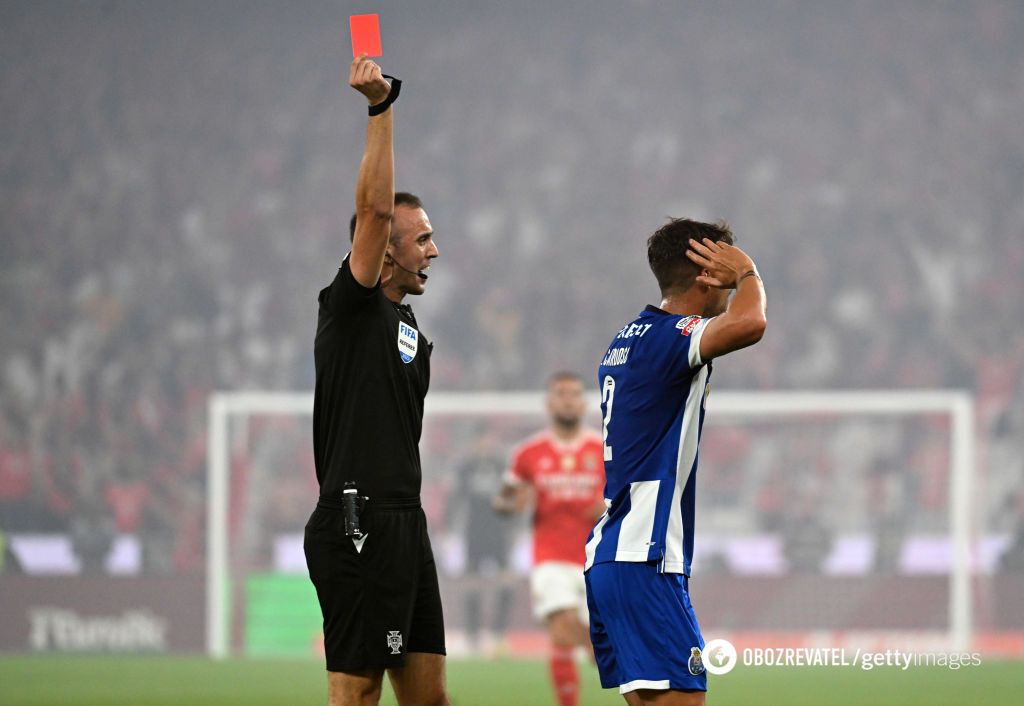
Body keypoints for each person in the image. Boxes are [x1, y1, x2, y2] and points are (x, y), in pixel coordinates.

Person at [303, 55, 447, 706]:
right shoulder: (351, 307)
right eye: (421, 238)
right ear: (384, 245)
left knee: (428, 697)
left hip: (404, 525)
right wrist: (380, 109)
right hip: (358, 521)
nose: (433, 250)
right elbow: (373, 210)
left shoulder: (407, 325)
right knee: (357, 695)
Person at [584, 219, 767, 705]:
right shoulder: (668, 338)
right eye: (723, 264)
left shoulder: (627, 338)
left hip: (614, 555)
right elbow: (751, 324)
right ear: (707, 272)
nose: (731, 280)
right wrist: (749, 271)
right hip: (645, 556)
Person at [493, 372, 606, 706]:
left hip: (596, 559)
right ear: (549, 402)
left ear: (584, 403)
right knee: (562, 629)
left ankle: (603, 654)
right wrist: (513, 502)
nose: (568, 400)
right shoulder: (528, 453)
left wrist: (609, 504)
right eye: (561, 394)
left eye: (574, 394)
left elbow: (627, 497)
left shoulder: (601, 448)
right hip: (550, 557)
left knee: (589, 641)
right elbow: (502, 501)